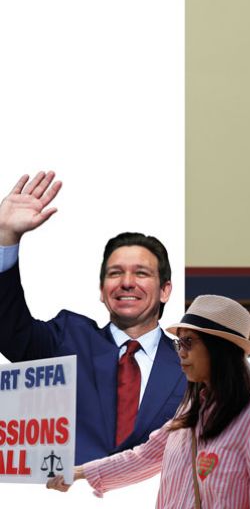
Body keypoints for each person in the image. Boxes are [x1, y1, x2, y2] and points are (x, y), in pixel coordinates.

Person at [46, 295, 250, 508]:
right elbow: (144, 457)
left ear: (219, 349)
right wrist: (79, 472)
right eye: (179, 342)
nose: (180, 352)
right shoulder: (193, 406)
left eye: (189, 342)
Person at [0, 171, 186, 464]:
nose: (127, 282)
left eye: (141, 273)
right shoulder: (68, 337)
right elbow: (11, 331)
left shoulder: (193, 363)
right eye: (115, 273)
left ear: (165, 290)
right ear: (102, 291)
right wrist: (6, 238)